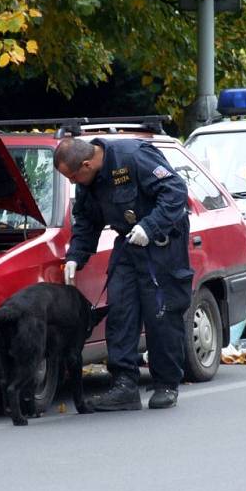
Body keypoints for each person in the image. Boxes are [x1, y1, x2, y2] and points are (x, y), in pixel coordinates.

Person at [54, 136, 193, 411]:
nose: (72, 183)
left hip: (162, 244)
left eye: (72, 176)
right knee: (120, 311)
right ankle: (124, 385)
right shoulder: (88, 179)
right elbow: (87, 221)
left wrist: (150, 227)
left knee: (161, 314)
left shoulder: (133, 157)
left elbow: (175, 191)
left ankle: (166, 384)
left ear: (86, 164)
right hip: (129, 244)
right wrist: (75, 257)